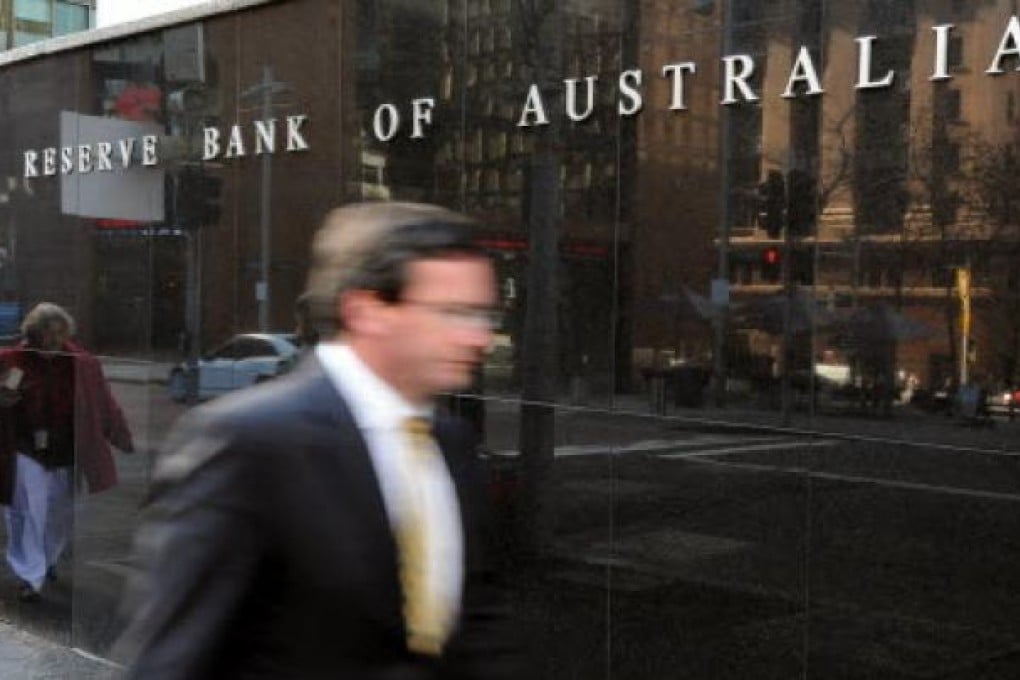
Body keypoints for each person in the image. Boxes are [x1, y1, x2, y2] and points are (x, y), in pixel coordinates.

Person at [115, 202, 521, 679]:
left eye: (483, 315)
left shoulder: (451, 443)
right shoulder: (247, 442)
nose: (479, 338)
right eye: (453, 313)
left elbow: (475, 620)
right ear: (365, 311)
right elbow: (172, 660)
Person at [0, 302, 134, 601]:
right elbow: (4, 398)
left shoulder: (82, 364)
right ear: (34, 333)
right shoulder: (15, 361)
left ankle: (47, 560)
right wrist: (5, 399)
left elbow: (104, 403)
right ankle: (29, 575)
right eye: (47, 333)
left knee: (60, 514)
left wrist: (121, 436)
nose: (53, 340)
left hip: (65, 449)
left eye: (59, 333)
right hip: (25, 448)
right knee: (26, 512)